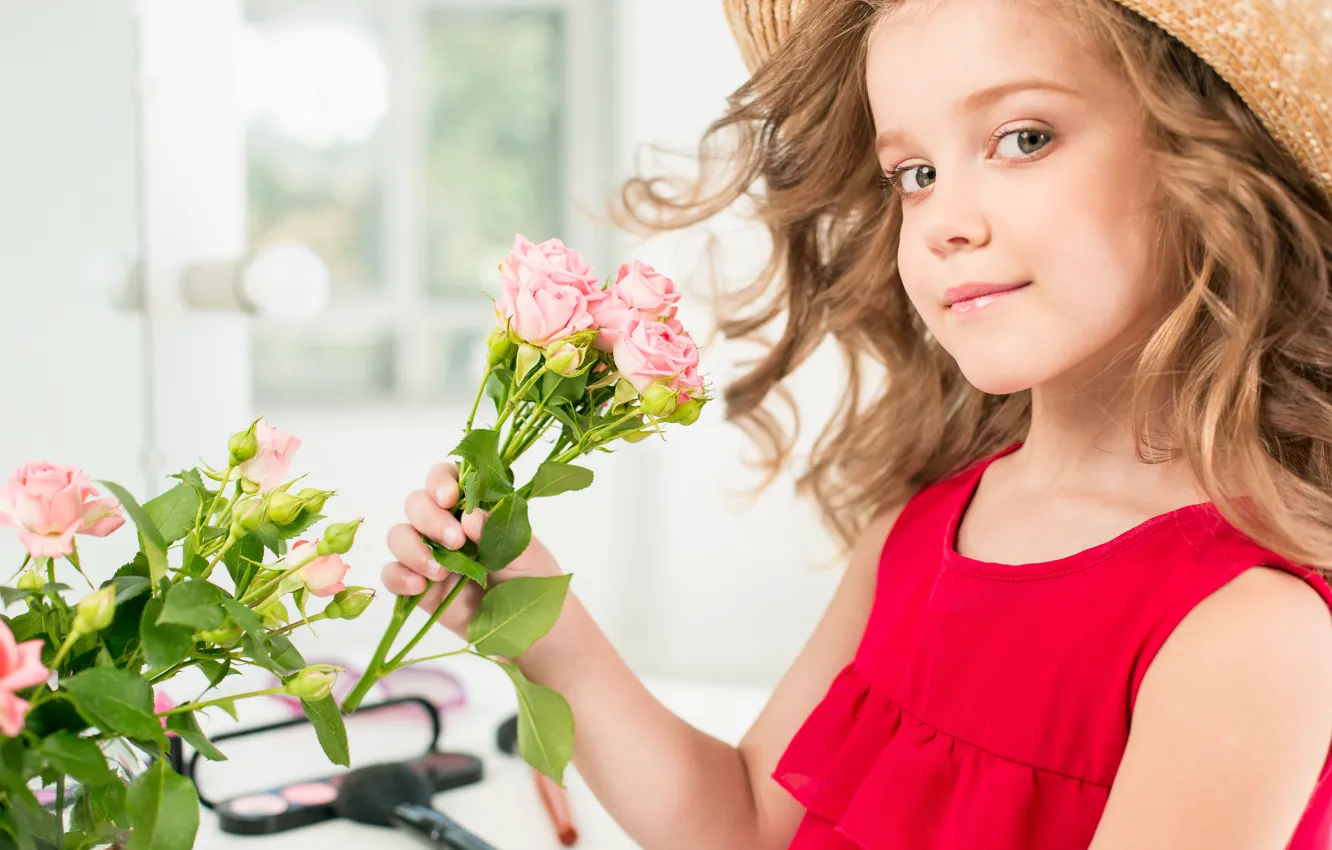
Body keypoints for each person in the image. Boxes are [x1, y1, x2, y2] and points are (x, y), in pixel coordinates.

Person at [383, 0, 1332, 846]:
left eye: (1024, 138)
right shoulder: (919, 537)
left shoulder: (1251, 632)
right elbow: (747, 824)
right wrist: (550, 635)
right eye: (914, 171)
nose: (943, 220)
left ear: (1207, 156)